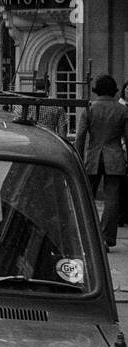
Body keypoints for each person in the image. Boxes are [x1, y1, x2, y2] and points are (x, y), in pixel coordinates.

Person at [75, 74, 128, 248]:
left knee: (87, 197)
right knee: (112, 199)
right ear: (114, 91)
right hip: (115, 157)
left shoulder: (90, 109)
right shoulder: (122, 110)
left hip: (93, 156)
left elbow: (81, 136)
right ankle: (107, 237)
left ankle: (88, 234)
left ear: (97, 90)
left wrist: (78, 157)